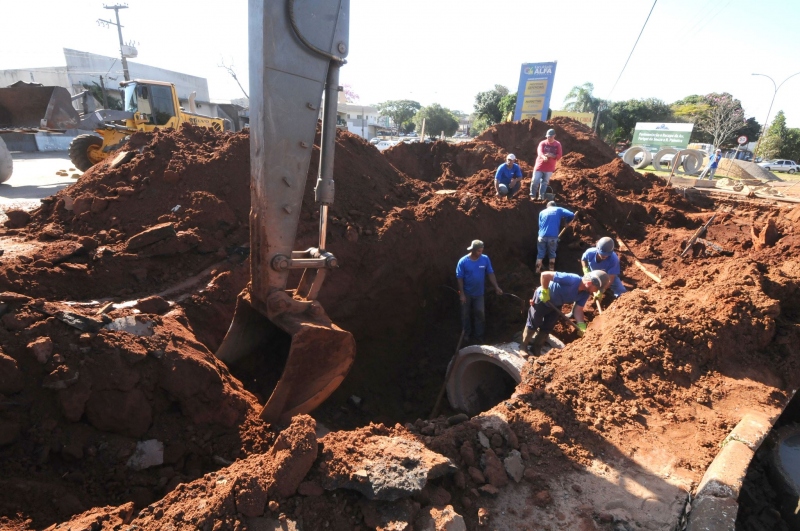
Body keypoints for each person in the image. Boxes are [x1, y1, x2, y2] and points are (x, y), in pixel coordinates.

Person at [520, 270, 609, 357]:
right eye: (596, 289)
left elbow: (578, 310)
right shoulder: (572, 279)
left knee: (548, 326)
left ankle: (536, 347)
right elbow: (545, 275)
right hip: (542, 299)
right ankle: (523, 345)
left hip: (557, 305)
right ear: (589, 283)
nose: (595, 291)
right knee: (534, 322)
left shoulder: (585, 294)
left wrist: (581, 326)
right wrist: (545, 291)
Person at [456, 240, 503, 343]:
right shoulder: (463, 261)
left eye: (481, 251)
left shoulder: (485, 259)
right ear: (472, 250)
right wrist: (462, 294)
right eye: (478, 251)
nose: (480, 253)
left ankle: (479, 337)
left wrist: (496, 287)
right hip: (467, 294)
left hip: (479, 294)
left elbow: (490, 273)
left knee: (480, 314)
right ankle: (466, 334)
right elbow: (459, 278)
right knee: (465, 314)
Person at [536, 201, 575, 273]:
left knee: (540, 254)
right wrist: (566, 222)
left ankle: (537, 270)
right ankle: (551, 271)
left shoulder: (542, 212)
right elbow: (572, 214)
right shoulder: (558, 209)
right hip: (553, 237)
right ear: (555, 206)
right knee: (552, 254)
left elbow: (540, 225)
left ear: (547, 206)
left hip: (541, 236)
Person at [530, 129, 563, 200]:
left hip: (549, 168)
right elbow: (540, 152)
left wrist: (551, 155)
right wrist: (544, 157)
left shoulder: (557, 144)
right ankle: (532, 195)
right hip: (539, 166)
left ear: (554, 136)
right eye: (548, 137)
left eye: (550, 137)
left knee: (544, 182)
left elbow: (559, 155)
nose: (549, 138)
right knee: (535, 180)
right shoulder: (543, 143)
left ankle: (541, 196)